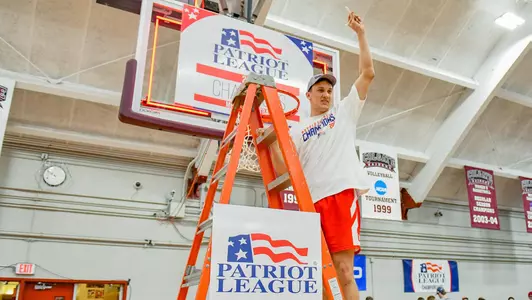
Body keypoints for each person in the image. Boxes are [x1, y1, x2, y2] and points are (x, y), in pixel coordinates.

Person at [261, 6, 374, 300]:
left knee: (345, 271)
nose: (326, 94)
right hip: (311, 203)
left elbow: (368, 73)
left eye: (329, 90)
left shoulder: (344, 112)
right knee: (322, 273)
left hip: (340, 195)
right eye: (320, 90)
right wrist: (272, 137)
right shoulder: (296, 130)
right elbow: (283, 170)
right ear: (308, 95)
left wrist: (361, 34)